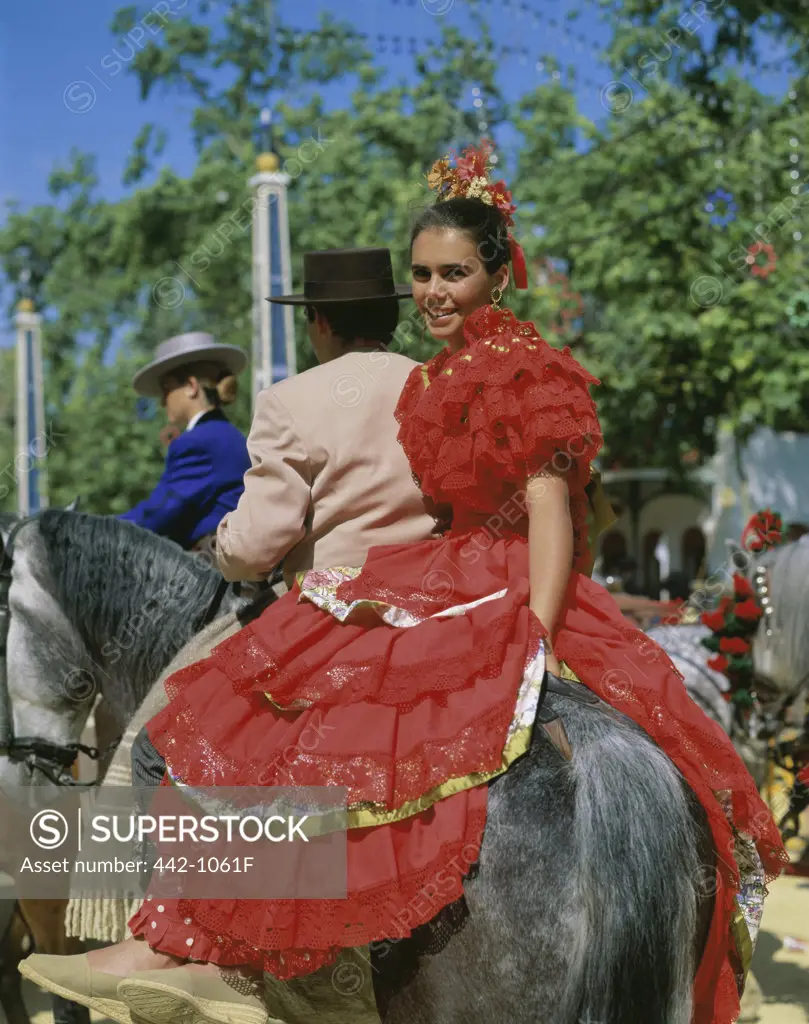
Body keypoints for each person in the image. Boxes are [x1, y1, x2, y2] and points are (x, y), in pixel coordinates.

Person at [25, 149, 784, 1024]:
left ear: (498, 275)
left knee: (259, 713)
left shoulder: (510, 366)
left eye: (454, 273)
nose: (432, 291)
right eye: (421, 274)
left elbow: (551, 509)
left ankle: (222, 948)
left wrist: (532, 629)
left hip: (488, 579)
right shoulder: (441, 371)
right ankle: (230, 944)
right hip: (446, 566)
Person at [20, 246, 443, 1024]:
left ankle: (189, 945)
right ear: (391, 315)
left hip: (332, 609)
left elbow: (253, 545)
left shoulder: (292, 399)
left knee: (166, 742)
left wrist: (224, 546)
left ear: (316, 322)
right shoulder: (438, 385)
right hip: (444, 608)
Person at [119, 332, 250, 554]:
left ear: (191, 386)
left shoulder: (197, 442)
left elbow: (160, 514)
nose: (162, 401)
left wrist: (97, 527)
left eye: (167, 388)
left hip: (214, 570)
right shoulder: (230, 434)